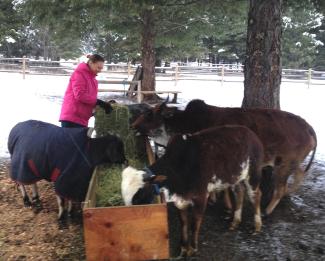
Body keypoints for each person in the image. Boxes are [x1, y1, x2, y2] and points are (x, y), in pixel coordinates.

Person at [59, 54, 113, 128]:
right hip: (72, 118)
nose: (100, 70)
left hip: (81, 118)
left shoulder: (93, 79)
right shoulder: (79, 74)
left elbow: (89, 99)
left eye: (101, 68)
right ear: (91, 63)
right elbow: (80, 95)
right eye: (98, 67)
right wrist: (99, 102)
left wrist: (98, 107)